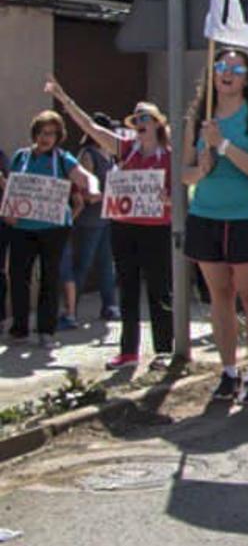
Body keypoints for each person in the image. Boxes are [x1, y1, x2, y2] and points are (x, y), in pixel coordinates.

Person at [44, 82, 174, 369]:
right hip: (124, 227)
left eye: (145, 118)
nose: (140, 122)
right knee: (126, 287)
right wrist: (64, 99)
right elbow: (90, 127)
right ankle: (128, 352)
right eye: (136, 118)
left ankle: (165, 350)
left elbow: (181, 192)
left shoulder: (169, 156)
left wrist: (169, 199)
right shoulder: (125, 149)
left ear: (157, 124)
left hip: (157, 228)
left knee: (159, 289)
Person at [182, 49, 248, 402]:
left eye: (236, 69)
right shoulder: (199, 119)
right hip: (207, 214)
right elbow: (184, 172)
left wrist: (223, 145)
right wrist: (202, 169)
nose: (227, 73)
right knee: (218, 296)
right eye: (221, 66)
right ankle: (227, 370)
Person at [6, 110, 94, 348]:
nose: (46, 138)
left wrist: (91, 184)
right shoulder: (20, 157)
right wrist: (9, 212)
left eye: (52, 134)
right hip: (22, 227)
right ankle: (20, 329)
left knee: (49, 277)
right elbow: (13, 187)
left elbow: (82, 176)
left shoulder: (63, 159)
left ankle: (46, 331)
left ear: (58, 137)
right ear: (35, 133)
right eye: (43, 133)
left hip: (53, 228)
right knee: (18, 276)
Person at [57, 114, 117, 330]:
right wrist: (102, 195)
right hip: (90, 218)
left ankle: (108, 305)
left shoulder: (108, 154)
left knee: (104, 263)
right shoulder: (88, 155)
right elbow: (82, 190)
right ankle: (72, 309)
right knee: (84, 262)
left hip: (105, 217)